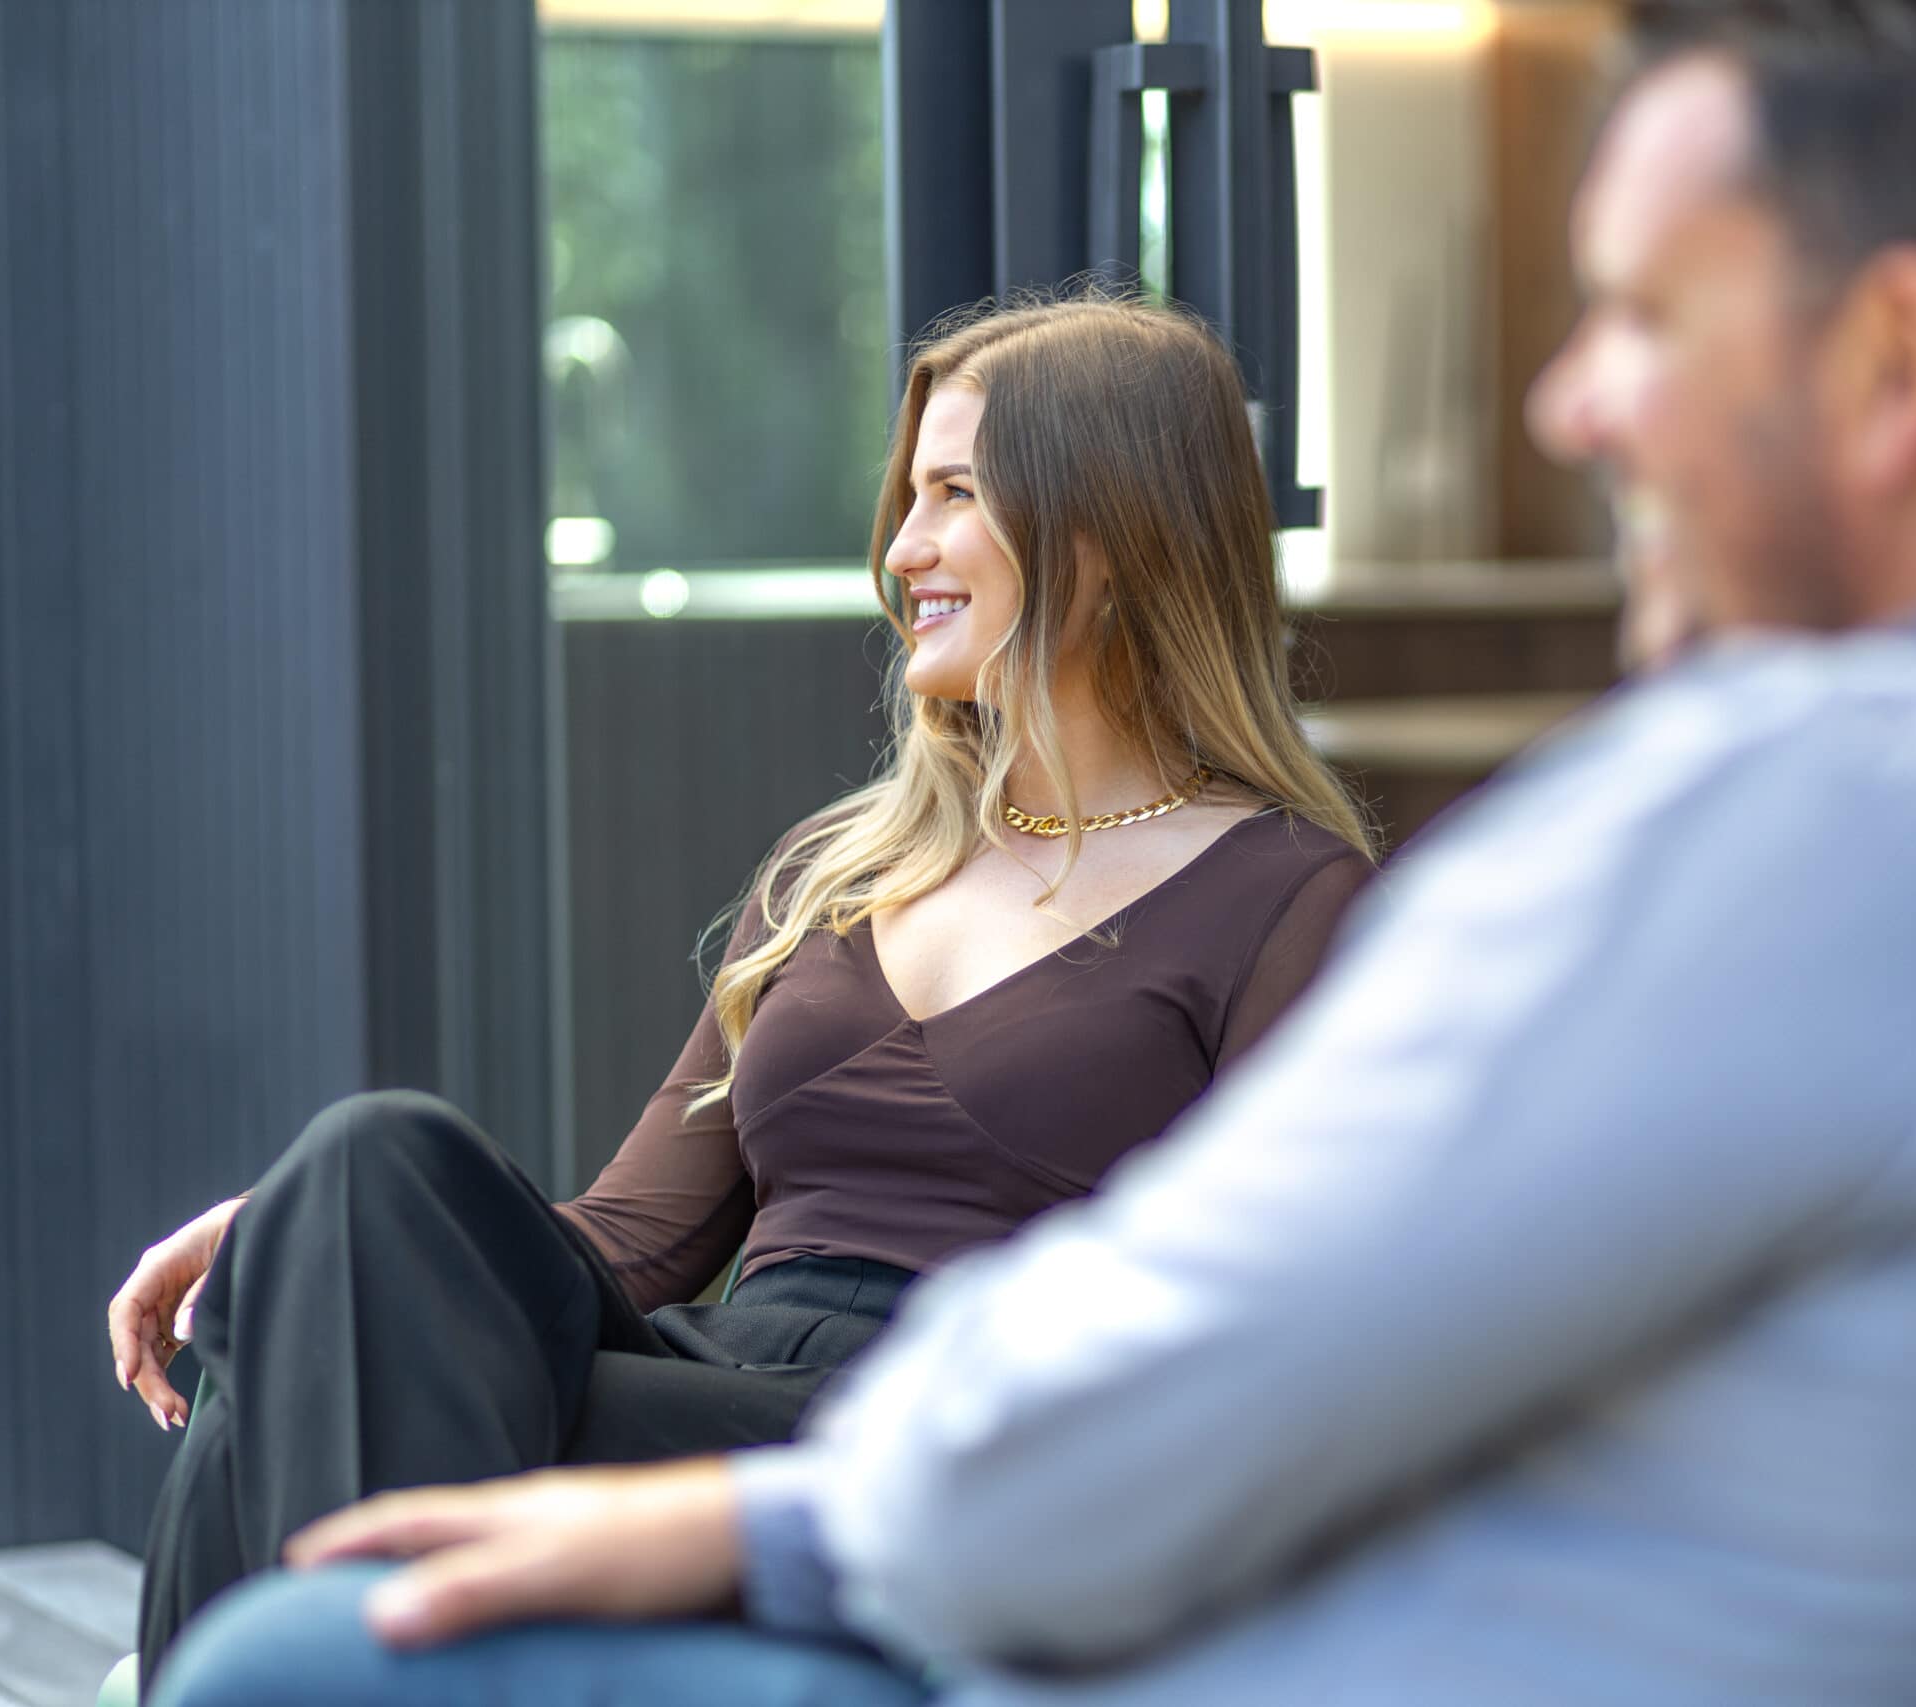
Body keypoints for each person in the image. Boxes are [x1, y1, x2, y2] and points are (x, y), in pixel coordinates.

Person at [155, 2, 1916, 1703]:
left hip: (1064, 1571)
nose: (1564, 410)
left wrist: (781, 1517)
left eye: (1636, 317)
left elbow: (1215, 1383)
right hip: (1018, 1491)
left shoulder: (1802, 816)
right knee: (349, 1236)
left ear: (1897, 357)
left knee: (301, 1652)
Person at [110, 293, 1377, 1683]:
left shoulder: (1285, 896)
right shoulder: (836, 868)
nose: (904, 550)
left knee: (262, 1402)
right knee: (363, 1161)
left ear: (1106, 530)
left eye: (955, 494)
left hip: (916, 1432)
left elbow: (1272, 1316)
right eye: (909, 498)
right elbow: (626, 1238)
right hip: (702, 1370)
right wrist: (302, 1236)